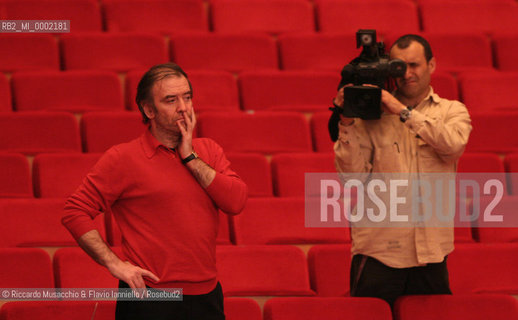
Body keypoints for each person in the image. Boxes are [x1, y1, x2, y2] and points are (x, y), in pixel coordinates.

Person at [62, 62, 248, 319]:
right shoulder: (122, 158)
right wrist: (115, 264)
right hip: (148, 296)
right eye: (170, 100)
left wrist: (190, 157)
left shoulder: (209, 151)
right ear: (148, 109)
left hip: (207, 295)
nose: (183, 107)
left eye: (187, 97)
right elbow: (74, 212)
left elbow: (236, 202)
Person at [333, 35, 472, 307]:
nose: (407, 74)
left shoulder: (452, 111)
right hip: (378, 252)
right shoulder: (372, 116)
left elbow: (453, 145)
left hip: (431, 253)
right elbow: (352, 178)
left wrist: (402, 112)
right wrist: (346, 121)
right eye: (398, 67)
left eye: (414, 65)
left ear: (432, 65)